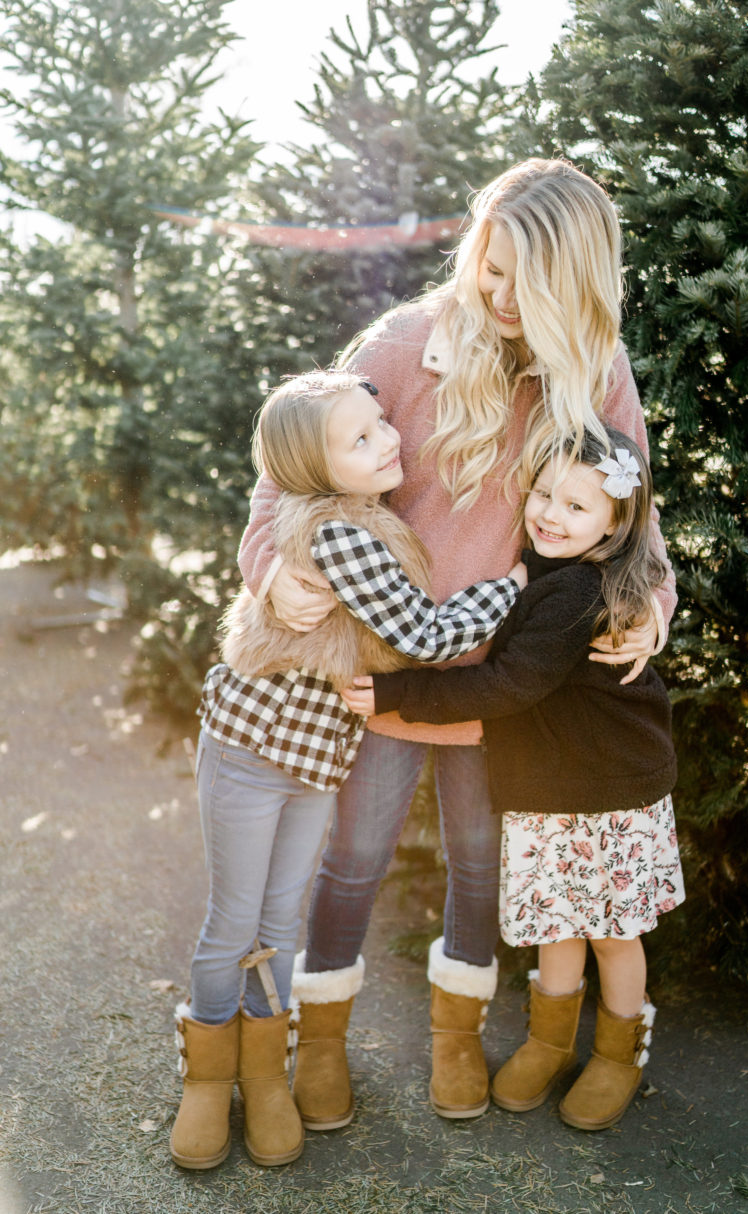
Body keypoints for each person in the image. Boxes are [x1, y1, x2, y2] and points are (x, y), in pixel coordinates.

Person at [236, 158, 678, 1125]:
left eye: (533, 278)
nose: (506, 296)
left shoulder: (594, 372)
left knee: (482, 861)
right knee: (355, 857)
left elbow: (634, 515)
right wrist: (275, 567)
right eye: (493, 268)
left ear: (579, 279)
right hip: (384, 673)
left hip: (501, 684)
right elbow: (289, 471)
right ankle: (321, 1043)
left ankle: (456, 1040)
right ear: (474, 251)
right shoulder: (404, 344)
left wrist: (647, 605)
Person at [170, 371, 523, 1171]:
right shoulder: (341, 534)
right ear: (315, 470)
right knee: (235, 920)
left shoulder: (370, 515)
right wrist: (515, 587)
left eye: (381, 424)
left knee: (280, 923)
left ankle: (264, 1075)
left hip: (318, 758)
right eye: (361, 439)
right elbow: (425, 634)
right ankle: (205, 1074)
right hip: (255, 749)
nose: (390, 439)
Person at [343, 425, 685, 1132]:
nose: (552, 515)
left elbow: (503, 687)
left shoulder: (574, 596)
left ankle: (621, 1051)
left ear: (619, 525)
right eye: (545, 494)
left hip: (609, 798)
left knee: (614, 935)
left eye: (578, 508)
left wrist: (397, 691)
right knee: (556, 925)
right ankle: (550, 1041)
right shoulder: (542, 571)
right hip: (548, 792)